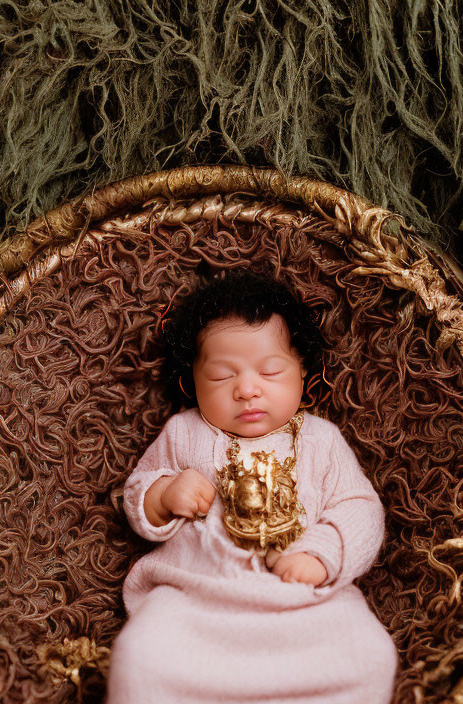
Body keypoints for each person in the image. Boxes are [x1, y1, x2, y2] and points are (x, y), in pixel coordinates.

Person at [105, 272, 398, 704]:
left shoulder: (320, 439)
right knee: (139, 656)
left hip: (303, 604)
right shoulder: (184, 432)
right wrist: (164, 494)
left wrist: (320, 553)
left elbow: (359, 508)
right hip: (196, 600)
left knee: (371, 654)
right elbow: (137, 494)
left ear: (302, 371)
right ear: (193, 380)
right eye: (223, 376)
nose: (246, 389)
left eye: (270, 370)